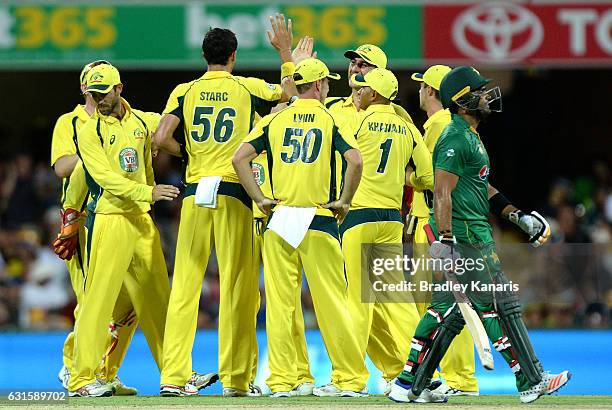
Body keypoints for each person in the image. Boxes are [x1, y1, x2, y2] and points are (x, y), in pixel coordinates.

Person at [389, 66, 570, 404]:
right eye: (480, 91)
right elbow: (442, 191)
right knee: (500, 306)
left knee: (446, 313)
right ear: (462, 101)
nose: (488, 96)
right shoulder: (455, 138)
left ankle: (409, 382)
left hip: (475, 235)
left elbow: (480, 186)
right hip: (465, 238)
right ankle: (530, 379)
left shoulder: (471, 135)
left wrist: (517, 217)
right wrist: (445, 241)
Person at [153, 19, 296, 397]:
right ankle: (235, 380)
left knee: (185, 284)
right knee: (238, 285)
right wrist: (285, 55)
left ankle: (173, 375)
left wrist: (186, 152)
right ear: (234, 55)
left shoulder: (184, 90)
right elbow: (290, 100)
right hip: (233, 191)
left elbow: (160, 137)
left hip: (196, 190)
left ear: (205, 56)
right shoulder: (247, 88)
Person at [233, 58, 367, 397]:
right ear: (320, 85)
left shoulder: (275, 119)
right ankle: (349, 380)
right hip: (319, 217)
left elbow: (239, 159)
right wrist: (346, 200)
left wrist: (260, 198)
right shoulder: (329, 117)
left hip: (280, 217)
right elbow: (355, 159)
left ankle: (283, 380)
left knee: (280, 304)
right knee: (332, 302)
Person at [67, 63, 181, 397]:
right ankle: (81, 379)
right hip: (111, 218)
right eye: (93, 94)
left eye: (103, 93)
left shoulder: (143, 121)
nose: (99, 100)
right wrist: (149, 191)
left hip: (142, 220)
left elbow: (176, 128)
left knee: (159, 299)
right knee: (97, 301)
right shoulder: (89, 131)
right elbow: (104, 178)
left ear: (120, 89)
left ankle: (175, 374)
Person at [338, 68, 432, 394]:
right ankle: (420, 367)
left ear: (374, 94)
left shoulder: (357, 122)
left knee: (357, 301)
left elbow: (346, 157)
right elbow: (429, 176)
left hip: (359, 215)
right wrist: (407, 180)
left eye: (363, 89)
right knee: (398, 300)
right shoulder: (408, 127)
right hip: (392, 219)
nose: (358, 93)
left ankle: (350, 380)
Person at [50, 59, 137, 396]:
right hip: (84, 218)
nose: (100, 94)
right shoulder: (69, 122)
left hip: (120, 213)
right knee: (92, 299)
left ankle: (106, 371)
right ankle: (76, 368)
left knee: (131, 302)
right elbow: (61, 167)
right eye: (94, 87)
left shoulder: (124, 119)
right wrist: (94, 152)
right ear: (85, 88)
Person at [409, 64, 478, 396]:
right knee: (441, 302)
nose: (419, 90)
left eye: (422, 86)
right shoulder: (445, 125)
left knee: (447, 302)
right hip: (436, 223)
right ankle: (455, 376)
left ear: (432, 91)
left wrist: (403, 176)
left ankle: (461, 378)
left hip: (437, 225)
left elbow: (434, 182)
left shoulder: (439, 127)